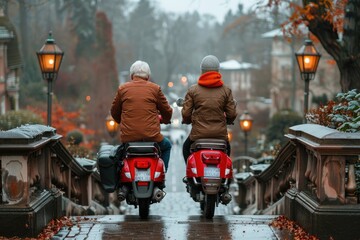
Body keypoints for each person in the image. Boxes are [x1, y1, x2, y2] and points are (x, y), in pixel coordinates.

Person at [110, 60, 173, 172]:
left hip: (129, 139)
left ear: (131, 75)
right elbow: (167, 111)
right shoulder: (155, 89)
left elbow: (114, 113)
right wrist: (164, 120)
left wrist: (124, 121)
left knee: (121, 158)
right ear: (148, 76)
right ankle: (162, 175)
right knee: (167, 145)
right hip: (152, 138)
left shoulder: (122, 89)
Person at [181, 55, 238, 163]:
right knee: (227, 150)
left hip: (198, 135)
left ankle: (190, 175)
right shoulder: (226, 91)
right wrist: (229, 121)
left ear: (202, 71)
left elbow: (186, 113)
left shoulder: (193, 90)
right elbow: (231, 114)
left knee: (185, 148)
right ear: (218, 71)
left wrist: (187, 120)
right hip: (220, 135)